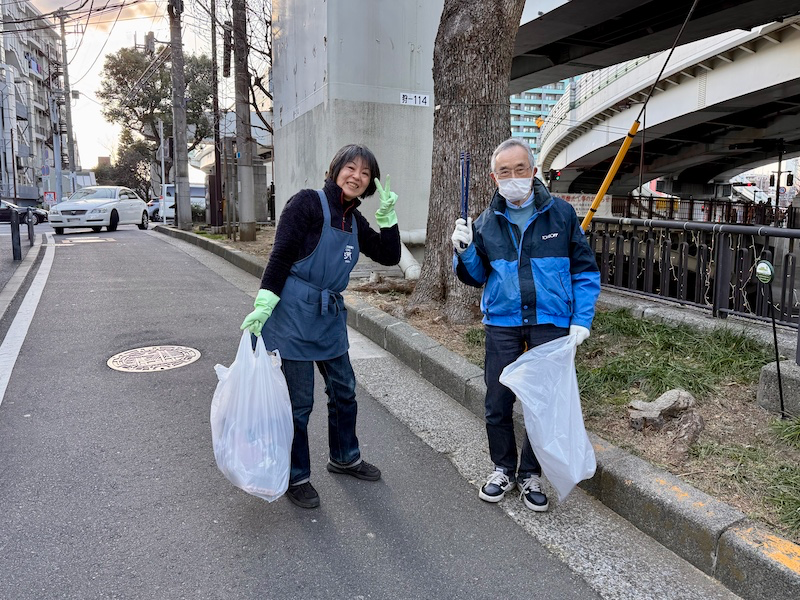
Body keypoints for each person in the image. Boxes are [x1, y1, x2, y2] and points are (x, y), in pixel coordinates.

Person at [241, 144, 401, 509]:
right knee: (299, 404)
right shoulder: (307, 203)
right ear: (336, 169)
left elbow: (389, 255)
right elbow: (281, 255)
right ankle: (296, 475)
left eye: (365, 173)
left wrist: (389, 218)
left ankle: (344, 457)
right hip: (293, 315)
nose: (357, 176)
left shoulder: (355, 220)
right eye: (351, 168)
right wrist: (264, 303)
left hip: (328, 317)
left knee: (344, 390)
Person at [451, 138, 600, 512]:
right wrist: (464, 251)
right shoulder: (485, 223)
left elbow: (585, 271)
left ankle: (530, 473)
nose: (513, 177)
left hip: (551, 320)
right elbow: (476, 276)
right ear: (494, 177)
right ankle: (502, 468)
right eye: (504, 171)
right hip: (502, 321)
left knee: (543, 403)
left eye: (520, 169)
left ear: (534, 171)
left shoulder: (561, 215)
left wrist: (582, 319)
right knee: (498, 400)